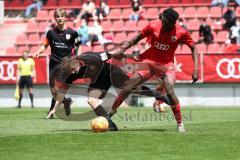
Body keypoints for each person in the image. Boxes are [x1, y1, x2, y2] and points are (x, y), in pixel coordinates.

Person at [110, 8, 199, 132]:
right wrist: (122, 50)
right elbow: (135, 39)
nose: (163, 24)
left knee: (170, 91)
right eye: (162, 21)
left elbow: (194, 48)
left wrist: (196, 69)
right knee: (128, 87)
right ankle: (111, 112)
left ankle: (180, 124)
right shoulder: (153, 26)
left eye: (166, 23)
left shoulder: (181, 32)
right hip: (148, 61)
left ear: (173, 23)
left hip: (166, 64)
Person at [47, 51, 171, 130]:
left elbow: (110, 54)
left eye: (74, 69)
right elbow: (63, 91)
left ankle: (157, 94)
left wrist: (128, 57)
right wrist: (54, 109)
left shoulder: (90, 59)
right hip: (99, 78)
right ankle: (109, 123)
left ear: (76, 63)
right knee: (91, 100)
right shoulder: (70, 73)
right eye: (71, 72)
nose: (74, 73)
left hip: (111, 69)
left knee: (133, 89)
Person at [33, 8, 80, 118]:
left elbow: (77, 48)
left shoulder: (73, 33)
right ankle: (66, 101)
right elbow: (45, 45)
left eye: (62, 16)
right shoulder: (51, 33)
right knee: (53, 90)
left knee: (59, 88)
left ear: (65, 18)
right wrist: (38, 52)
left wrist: (75, 62)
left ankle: (52, 111)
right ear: (55, 18)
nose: (60, 18)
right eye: (57, 16)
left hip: (65, 64)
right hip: (53, 63)